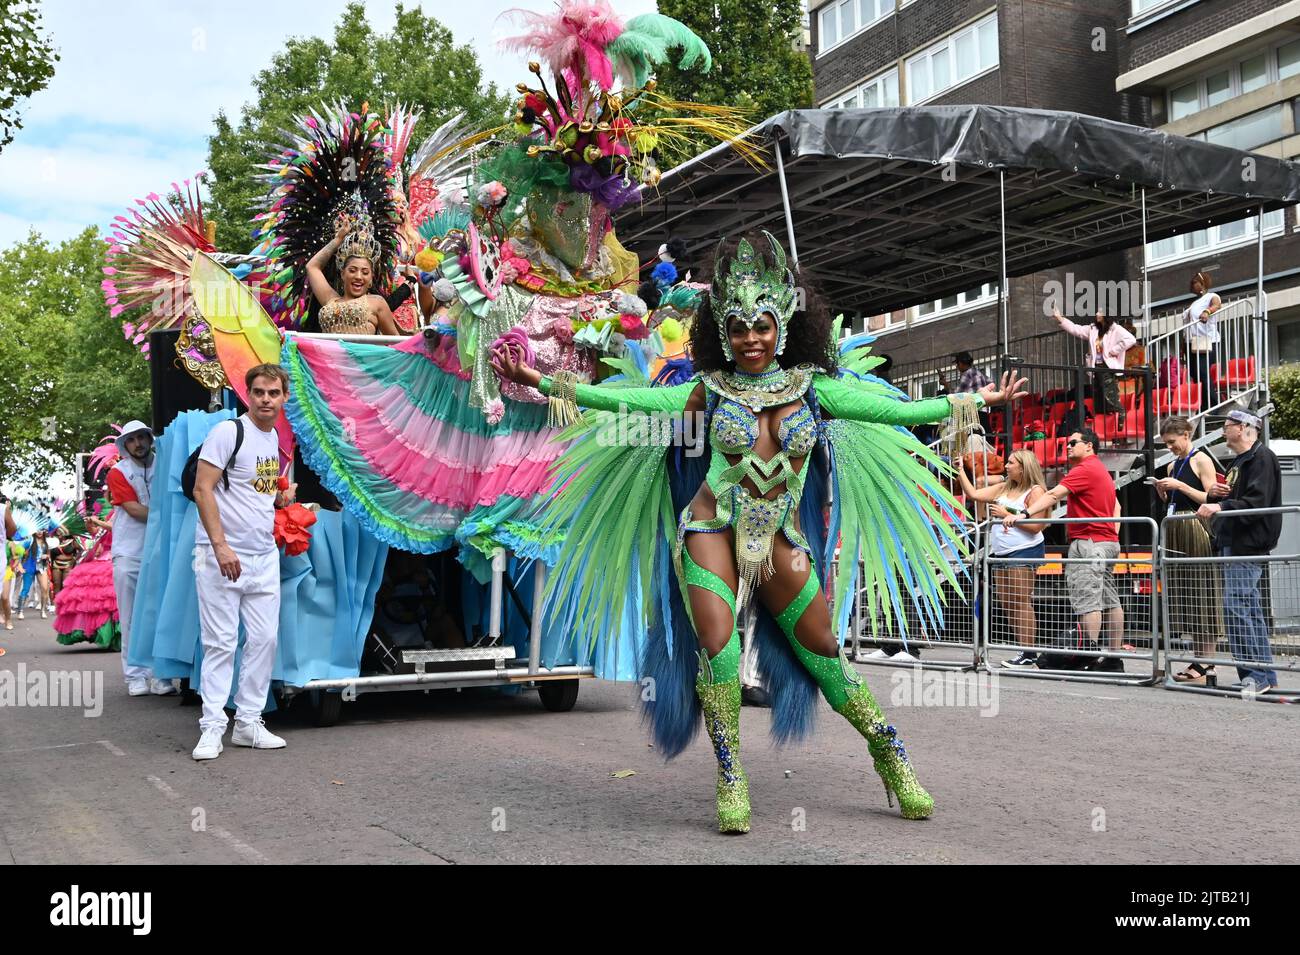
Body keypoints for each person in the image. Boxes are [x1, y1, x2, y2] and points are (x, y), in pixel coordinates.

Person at [492, 232, 1026, 830]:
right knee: (718, 651)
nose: (751, 339)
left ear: (783, 326)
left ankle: (890, 754)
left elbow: (897, 411)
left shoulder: (813, 389)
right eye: (740, 328)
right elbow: (633, 405)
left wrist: (969, 400)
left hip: (780, 539)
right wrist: (543, 382)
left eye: (763, 326)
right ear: (723, 332)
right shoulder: (705, 392)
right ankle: (730, 774)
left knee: (824, 654)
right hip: (710, 527)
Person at [191, 363, 297, 760]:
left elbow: (254, 493)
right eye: (259, 393)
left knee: (265, 640)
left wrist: (280, 499)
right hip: (221, 555)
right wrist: (220, 546)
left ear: (284, 397)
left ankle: (249, 722)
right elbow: (203, 489)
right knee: (219, 642)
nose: (266, 399)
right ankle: (212, 726)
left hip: (262, 555)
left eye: (273, 393)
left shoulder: (272, 440)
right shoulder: (227, 432)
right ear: (247, 395)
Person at [1005, 428, 1125, 672]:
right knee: (1109, 600)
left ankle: (1085, 656)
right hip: (1106, 541)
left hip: (1090, 542)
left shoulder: (1085, 469)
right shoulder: (1100, 470)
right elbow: (1117, 506)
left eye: (1073, 442)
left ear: (1089, 446)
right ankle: (1113, 658)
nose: (1067, 446)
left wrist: (1024, 513)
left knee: (1088, 600)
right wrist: (1112, 535)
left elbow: (1053, 494)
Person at [1198, 407, 1280, 695]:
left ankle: (1255, 675)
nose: (1224, 429)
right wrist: (1219, 496)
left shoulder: (1261, 458)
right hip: (1236, 542)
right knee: (1248, 609)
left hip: (1247, 543)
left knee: (1238, 609)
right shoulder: (1243, 460)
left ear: (1245, 428)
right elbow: (1245, 497)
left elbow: (1257, 502)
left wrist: (1221, 506)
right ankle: (1263, 675)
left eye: (1229, 425)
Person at [959, 449, 1049, 668]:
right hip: (1001, 551)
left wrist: (1007, 515)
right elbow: (974, 494)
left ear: (1023, 467)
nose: (1006, 466)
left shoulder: (1035, 491)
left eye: (1011, 463)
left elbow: (1037, 526)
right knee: (1008, 603)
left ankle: (1028, 653)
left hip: (1024, 549)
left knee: (1021, 601)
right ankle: (1022, 650)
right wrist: (960, 470)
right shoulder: (1004, 487)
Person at [105, 421, 174, 696]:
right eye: (131, 440)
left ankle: (160, 675)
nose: (138, 444)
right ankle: (134, 675)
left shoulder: (165, 465)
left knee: (160, 614)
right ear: (125, 445)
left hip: (160, 551)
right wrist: (170, 516)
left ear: (149, 438)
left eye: (141, 438)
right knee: (131, 616)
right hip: (129, 553)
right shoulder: (117, 473)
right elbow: (133, 509)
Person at [1154, 416, 1223, 685]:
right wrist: (1165, 491)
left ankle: (1207, 663)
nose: (1169, 447)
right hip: (1176, 529)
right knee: (1186, 594)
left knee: (1202, 592)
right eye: (1166, 443)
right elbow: (1177, 498)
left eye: (1172, 442)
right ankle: (1200, 661)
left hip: (1195, 527)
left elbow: (1210, 496)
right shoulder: (1173, 464)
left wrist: (1180, 486)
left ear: (1186, 434)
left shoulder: (1201, 459)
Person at [305, 220, 400, 336]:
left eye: (365, 272)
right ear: (343, 274)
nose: (358, 276)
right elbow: (312, 267)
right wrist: (338, 240)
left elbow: (395, 343)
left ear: (370, 280)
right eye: (352, 270)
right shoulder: (330, 299)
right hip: (327, 353)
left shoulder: (377, 302)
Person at [1050, 306, 1136, 430]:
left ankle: (1120, 413)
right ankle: (1105, 426)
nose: (1097, 313)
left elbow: (1131, 339)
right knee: (1098, 395)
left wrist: (1114, 350)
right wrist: (1060, 318)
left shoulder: (1115, 329)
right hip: (1096, 366)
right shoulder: (1093, 329)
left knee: (1109, 394)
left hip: (1107, 367)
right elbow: (1076, 329)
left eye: (1100, 312)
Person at [52, 501, 122, 651]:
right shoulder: (112, 512)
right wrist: (92, 528)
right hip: (104, 556)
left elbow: (116, 529)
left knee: (109, 599)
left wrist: (97, 521)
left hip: (118, 556)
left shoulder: (124, 511)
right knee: (91, 596)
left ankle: (116, 635)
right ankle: (93, 631)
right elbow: (102, 535)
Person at [1182, 271, 1221, 413]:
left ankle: (1213, 406)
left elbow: (1217, 305)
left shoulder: (1211, 296)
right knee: (1195, 374)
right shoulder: (1194, 303)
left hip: (1206, 341)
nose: (1192, 285)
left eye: (1194, 282)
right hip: (1191, 343)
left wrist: (1207, 312)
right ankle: (1203, 405)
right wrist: (1182, 347)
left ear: (1202, 283)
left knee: (1203, 372)